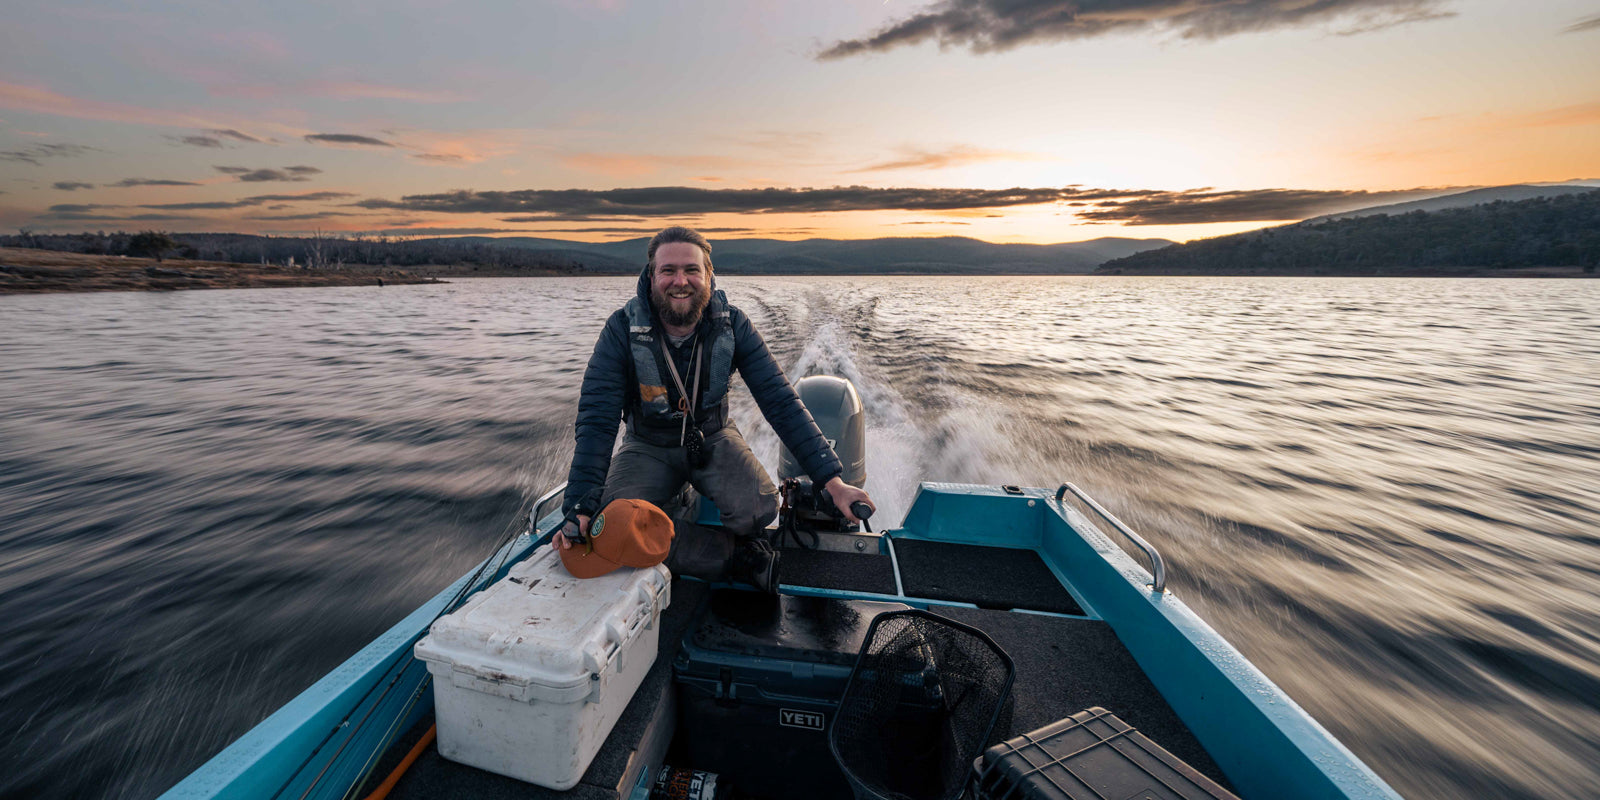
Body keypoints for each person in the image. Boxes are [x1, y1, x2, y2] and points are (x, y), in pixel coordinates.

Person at [554, 226, 873, 591]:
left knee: (760, 508)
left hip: (712, 435)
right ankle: (736, 558)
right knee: (609, 527)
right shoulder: (621, 330)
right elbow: (597, 420)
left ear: (708, 275)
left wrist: (831, 480)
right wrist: (579, 505)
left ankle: (691, 522)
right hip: (648, 445)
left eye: (691, 270)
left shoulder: (733, 325)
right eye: (668, 270)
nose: (680, 281)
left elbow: (780, 401)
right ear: (651, 275)